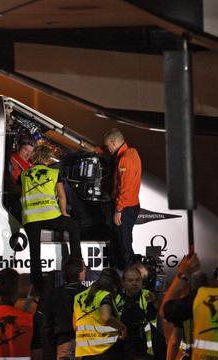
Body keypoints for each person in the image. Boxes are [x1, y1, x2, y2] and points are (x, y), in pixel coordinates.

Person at [21, 144, 82, 295]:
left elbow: (19, 191)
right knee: (74, 226)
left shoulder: (25, 174)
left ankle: (39, 288)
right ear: (47, 158)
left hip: (31, 217)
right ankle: (76, 265)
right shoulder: (54, 172)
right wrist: (64, 213)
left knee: (34, 253)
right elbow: (62, 195)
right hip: (50, 215)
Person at [103, 128, 141, 270]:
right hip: (128, 206)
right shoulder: (131, 153)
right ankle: (126, 274)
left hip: (125, 208)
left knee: (124, 244)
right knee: (120, 242)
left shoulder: (125, 160)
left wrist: (118, 209)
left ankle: (130, 277)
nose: (107, 149)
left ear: (113, 142)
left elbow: (125, 188)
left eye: (107, 146)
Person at [74, 268, 126, 359]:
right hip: (103, 350)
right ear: (113, 285)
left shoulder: (78, 297)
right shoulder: (104, 295)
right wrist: (122, 327)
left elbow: (75, 325)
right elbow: (106, 317)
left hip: (84, 350)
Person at [44, 257, 87, 360]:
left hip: (63, 343)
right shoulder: (88, 293)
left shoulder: (55, 294)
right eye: (84, 269)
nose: (85, 272)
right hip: (84, 343)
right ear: (79, 273)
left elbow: (47, 323)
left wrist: (51, 345)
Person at [117, 266, 165, 359]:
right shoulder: (116, 298)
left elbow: (162, 309)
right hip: (124, 348)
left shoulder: (148, 295)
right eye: (130, 280)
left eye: (137, 280)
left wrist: (155, 299)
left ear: (142, 282)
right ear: (123, 283)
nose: (134, 283)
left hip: (148, 349)